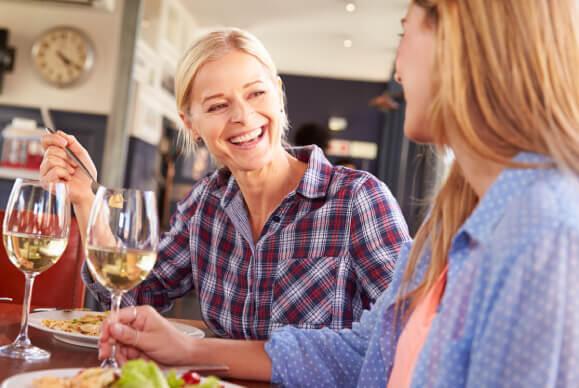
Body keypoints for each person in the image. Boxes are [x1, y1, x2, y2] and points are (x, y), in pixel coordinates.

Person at [98, 0, 579, 386]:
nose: (396, 68)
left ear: (460, 43)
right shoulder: (455, 217)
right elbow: (368, 350)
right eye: (219, 105)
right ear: (192, 125)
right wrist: (189, 350)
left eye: (404, 32)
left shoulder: (547, 236)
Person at [40, 28, 410, 340]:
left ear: (278, 96)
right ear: (190, 124)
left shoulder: (358, 199)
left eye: (256, 93)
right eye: (217, 106)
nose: (243, 116)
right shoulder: (206, 204)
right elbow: (133, 293)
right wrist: (84, 200)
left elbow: (407, 334)